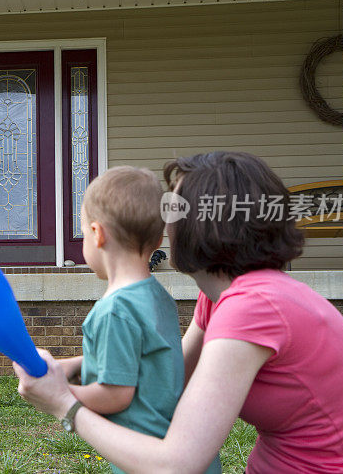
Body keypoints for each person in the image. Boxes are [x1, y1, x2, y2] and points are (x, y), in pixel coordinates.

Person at [14, 151, 343, 473]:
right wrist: (76, 366)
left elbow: (176, 465)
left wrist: (64, 404)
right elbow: (174, 373)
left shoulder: (252, 308)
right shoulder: (224, 295)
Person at [59, 166, 219, 474]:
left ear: (97, 234)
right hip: (186, 451)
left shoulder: (114, 310)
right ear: (159, 239)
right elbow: (141, 358)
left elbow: (116, 394)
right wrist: (77, 364)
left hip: (148, 459)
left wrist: (60, 392)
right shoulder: (157, 296)